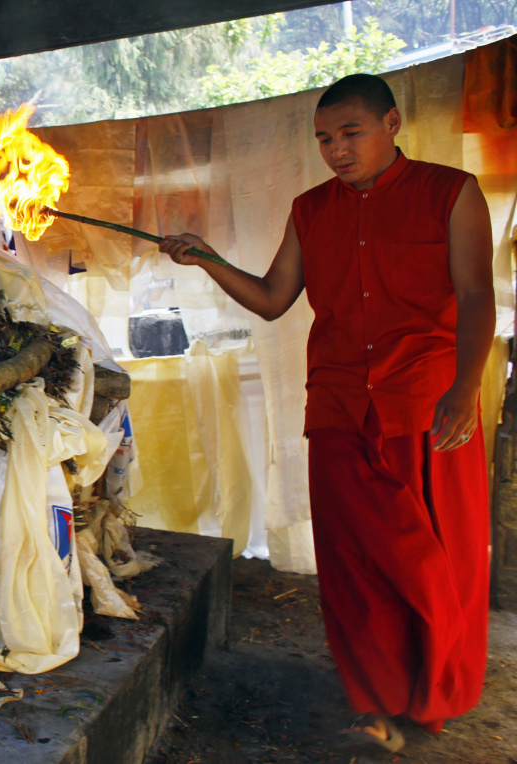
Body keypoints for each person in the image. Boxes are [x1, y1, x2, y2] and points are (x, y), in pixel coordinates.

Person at [158, 73, 494, 755]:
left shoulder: (450, 193)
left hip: (426, 406)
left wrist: (464, 386)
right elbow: (274, 297)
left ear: (392, 123)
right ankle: (376, 704)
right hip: (338, 404)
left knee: (435, 561)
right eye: (324, 140)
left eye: (350, 133)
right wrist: (207, 260)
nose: (336, 150)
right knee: (356, 565)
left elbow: (476, 293)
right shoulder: (312, 210)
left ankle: (432, 695)